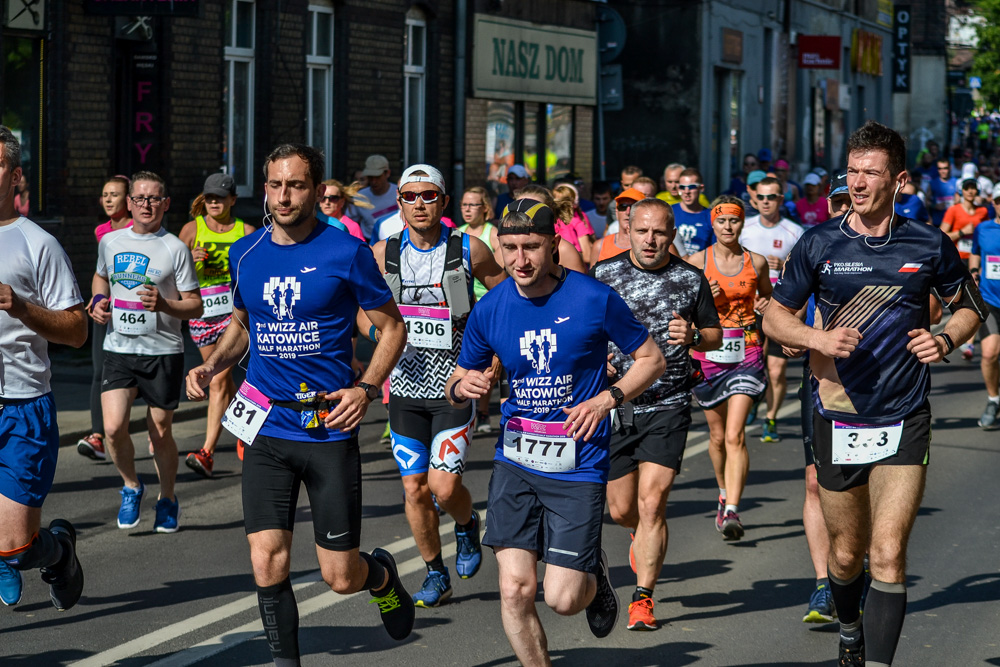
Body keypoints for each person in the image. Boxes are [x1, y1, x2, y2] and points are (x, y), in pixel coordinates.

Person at [763, 120, 986, 666]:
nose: (858, 183)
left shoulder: (927, 242)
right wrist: (817, 338)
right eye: (852, 171)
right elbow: (774, 316)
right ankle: (848, 629)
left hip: (905, 414)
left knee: (887, 553)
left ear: (899, 180)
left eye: (870, 173)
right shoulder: (819, 242)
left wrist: (945, 338)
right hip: (838, 413)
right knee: (845, 556)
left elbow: (970, 306)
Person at [185, 144, 415, 665]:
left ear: (315, 190)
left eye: (295, 185)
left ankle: (380, 576)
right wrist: (211, 365)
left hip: (327, 427)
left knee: (340, 576)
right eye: (275, 185)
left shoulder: (346, 252)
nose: (284, 196)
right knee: (266, 560)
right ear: (265, 189)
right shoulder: (247, 252)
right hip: (266, 425)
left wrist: (366, 388)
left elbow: (392, 328)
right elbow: (243, 324)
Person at [446, 198, 665, 663]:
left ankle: (593, 572)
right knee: (514, 589)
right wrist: (463, 385)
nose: (519, 260)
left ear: (553, 244)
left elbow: (652, 359)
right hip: (516, 460)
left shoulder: (593, 298)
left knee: (563, 599)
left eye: (530, 247)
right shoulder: (491, 308)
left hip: (578, 464)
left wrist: (608, 398)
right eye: (509, 248)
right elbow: (457, 380)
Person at [366, 164, 506, 608]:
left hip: (454, 383)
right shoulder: (382, 253)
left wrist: (494, 355)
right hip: (404, 387)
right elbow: (359, 306)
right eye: (410, 196)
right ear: (400, 203)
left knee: (443, 488)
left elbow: (504, 298)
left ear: (444, 202)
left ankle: (466, 524)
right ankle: (435, 573)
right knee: (414, 488)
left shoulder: (470, 248)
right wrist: (377, 334)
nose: (419, 204)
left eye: (429, 195)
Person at [592, 198, 722, 630]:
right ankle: (640, 535)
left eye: (660, 232)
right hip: (617, 405)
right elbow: (584, 331)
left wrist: (695, 336)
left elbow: (715, 334)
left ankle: (642, 598)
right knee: (621, 510)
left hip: (669, 404)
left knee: (652, 503)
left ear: (673, 234)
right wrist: (597, 360)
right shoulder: (603, 275)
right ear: (627, 231)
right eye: (642, 231)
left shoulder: (690, 278)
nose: (650, 240)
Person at [0, 125, 88, 611]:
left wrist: (21, 307)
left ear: (15, 176)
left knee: (17, 546)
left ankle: (60, 553)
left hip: (22, 405)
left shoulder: (38, 244)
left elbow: (76, 332)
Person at [90, 171, 203, 533]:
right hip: (118, 348)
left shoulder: (175, 248)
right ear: (130, 203)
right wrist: (98, 299)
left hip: (163, 352)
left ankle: (167, 498)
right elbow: (101, 276)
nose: (146, 205)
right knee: (112, 428)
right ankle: (131, 485)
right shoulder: (110, 242)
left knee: (160, 433)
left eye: (154, 199)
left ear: (165, 204)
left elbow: (195, 305)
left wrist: (165, 305)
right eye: (139, 198)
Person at [687, 196, 772, 540]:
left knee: (735, 434)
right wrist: (705, 298)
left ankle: (733, 509)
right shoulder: (696, 262)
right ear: (713, 223)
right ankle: (723, 493)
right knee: (718, 436)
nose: (728, 227)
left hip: (746, 352)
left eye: (734, 220)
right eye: (721, 221)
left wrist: (766, 306)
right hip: (708, 355)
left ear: (742, 223)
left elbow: (768, 298)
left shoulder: (756, 261)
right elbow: (682, 311)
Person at [177, 173, 255, 478]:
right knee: (220, 379)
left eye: (220, 198)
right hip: (202, 313)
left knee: (218, 379)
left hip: (234, 314)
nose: (213, 203)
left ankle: (206, 452)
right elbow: (170, 272)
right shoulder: (191, 229)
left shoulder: (245, 231)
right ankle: (243, 426)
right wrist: (188, 259)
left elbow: (257, 271)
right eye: (209, 198)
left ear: (232, 200)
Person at [739, 176, 804, 441]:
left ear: (781, 199)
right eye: (761, 197)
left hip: (780, 309)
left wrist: (786, 264)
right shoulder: (744, 228)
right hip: (748, 308)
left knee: (776, 371)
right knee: (752, 366)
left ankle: (771, 418)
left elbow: (803, 275)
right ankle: (755, 399)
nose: (766, 202)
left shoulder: (794, 231)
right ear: (755, 199)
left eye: (772, 197)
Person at [77, 175, 134, 461]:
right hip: (107, 311)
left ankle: (156, 428)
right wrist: (98, 297)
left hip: (136, 312)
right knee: (99, 371)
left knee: (139, 376)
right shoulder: (101, 231)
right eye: (105, 195)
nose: (109, 199)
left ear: (128, 199)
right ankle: (97, 436)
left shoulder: (140, 228)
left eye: (115, 194)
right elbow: (102, 272)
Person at [457, 185, 500, 432]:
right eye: (464, 204)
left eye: (472, 205)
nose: (467, 209)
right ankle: (466, 406)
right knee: (467, 358)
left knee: (486, 361)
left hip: (488, 304)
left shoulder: (492, 233)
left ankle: (483, 411)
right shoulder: (458, 233)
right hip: (465, 305)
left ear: (484, 208)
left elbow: (501, 273)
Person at [969, 182, 1000, 429]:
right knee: (989, 353)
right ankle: (993, 400)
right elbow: (976, 252)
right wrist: (974, 271)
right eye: (999, 201)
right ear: (993, 203)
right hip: (990, 300)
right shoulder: (983, 228)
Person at [514, 184, 588, 273]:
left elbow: (579, 281)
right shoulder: (503, 247)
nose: (527, 216)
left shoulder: (563, 250)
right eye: (521, 210)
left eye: (537, 210)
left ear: (551, 212)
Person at [941, 178, 988, 262]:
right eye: (966, 189)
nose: (970, 192)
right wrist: (961, 232)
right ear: (961, 191)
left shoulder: (983, 211)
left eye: (973, 188)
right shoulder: (953, 210)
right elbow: (941, 237)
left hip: (976, 257)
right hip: (957, 257)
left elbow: (987, 234)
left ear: (977, 191)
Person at [592, 187, 642, 265]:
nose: (628, 212)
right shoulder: (600, 246)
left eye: (634, 207)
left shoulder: (652, 245)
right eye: (623, 206)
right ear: (616, 212)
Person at [672, 168, 714, 256]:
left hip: (701, 263)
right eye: (682, 187)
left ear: (701, 188)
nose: (686, 192)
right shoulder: (669, 212)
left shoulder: (711, 216)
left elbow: (715, 250)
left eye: (692, 187)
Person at [356, 155, 399, 239]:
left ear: (387, 173)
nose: (373, 181)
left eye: (377, 177)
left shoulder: (399, 193)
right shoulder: (359, 196)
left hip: (395, 240)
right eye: (370, 177)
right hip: (368, 240)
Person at [552, 183, 596, 260]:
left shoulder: (549, 220)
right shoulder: (577, 219)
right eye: (575, 197)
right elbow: (587, 256)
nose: (577, 200)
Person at [926, 158, 958, 227]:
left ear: (950, 168)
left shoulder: (957, 182)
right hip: (937, 221)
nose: (942, 171)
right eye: (940, 169)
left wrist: (957, 202)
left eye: (945, 168)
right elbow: (927, 201)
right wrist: (935, 206)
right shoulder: (932, 183)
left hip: (953, 221)